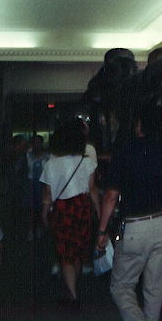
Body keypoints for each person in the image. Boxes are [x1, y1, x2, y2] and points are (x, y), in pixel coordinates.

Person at [96, 104, 162, 321]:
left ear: (139, 125)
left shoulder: (124, 154)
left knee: (121, 287)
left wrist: (102, 230)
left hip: (133, 228)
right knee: (155, 289)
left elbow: (111, 196)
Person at [40, 118, 100, 305]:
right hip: (82, 208)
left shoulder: (51, 164)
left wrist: (44, 213)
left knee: (65, 253)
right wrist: (98, 213)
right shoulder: (86, 162)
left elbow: (48, 194)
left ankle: (72, 295)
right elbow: (92, 190)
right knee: (79, 250)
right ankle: (73, 289)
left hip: (62, 209)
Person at [16, 134, 47, 241]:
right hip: (29, 185)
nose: (36, 145)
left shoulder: (46, 156)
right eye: (34, 143)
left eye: (38, 143)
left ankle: (39, 227)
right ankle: (30, 230)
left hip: (42, 185)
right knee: (30, 209)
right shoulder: (26, 156)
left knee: (41, 207)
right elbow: (18, 170)